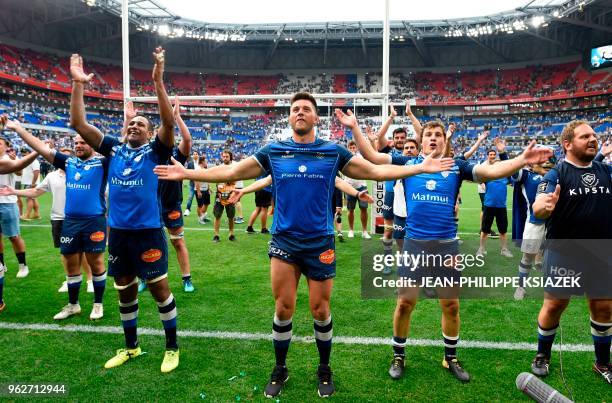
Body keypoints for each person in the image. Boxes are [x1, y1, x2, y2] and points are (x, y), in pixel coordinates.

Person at [155, 92, 455, 398]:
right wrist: (187, 173)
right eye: (295, 109)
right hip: (284, 242)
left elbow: (376, 171)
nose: (300, 112)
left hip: (320, 243)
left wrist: (418, 168)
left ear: (315, 118)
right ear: (289, 117)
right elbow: (232, 172)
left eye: (306, 109)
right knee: (283, 308)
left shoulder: (332, 152)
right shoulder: (274, 151)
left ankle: (324, 369)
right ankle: (280, 369)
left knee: (320, 310)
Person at [344, 112, 552, 383]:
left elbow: (490, 171)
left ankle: (450, 357)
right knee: (405, 303)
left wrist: (521, 160)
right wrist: (355, 128)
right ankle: (398, 355)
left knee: (451, 306)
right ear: (421, 140)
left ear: (444, 141)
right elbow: (372, 157)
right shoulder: (408, 163)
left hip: (447, 249)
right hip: (415, 247)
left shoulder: (458, 166)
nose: (432, 138)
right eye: (428, 135)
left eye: (438, 135)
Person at [69, 49, 180, 373]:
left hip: (147, 233)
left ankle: (172, 346)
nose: (134, 125)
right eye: (131, 122)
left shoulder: (156, 151)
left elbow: (169, 122)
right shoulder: (113, 149)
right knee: (125, 290)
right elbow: (78, 122)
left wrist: (158, 80)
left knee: (160, 290)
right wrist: (78, 84)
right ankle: (131, 347)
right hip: (118, 234)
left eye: (141, 124)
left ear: (149, 133)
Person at [530, 120, 611, 385]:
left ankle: (602, 363)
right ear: (567, 144)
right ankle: (542, 355)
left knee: (603, 307)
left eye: (594, 135)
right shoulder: (556, 174)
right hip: (564, 252)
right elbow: (538, 207)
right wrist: (545, 206)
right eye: (585, 136)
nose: (592, 139)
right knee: (555, 304)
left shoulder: (606, 171)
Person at [0, 130, 108, 321]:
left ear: (92, 143)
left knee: (96, 262)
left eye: (83, 142)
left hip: (94, 220)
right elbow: (41, 148)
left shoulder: (103, 162)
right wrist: (17, 129)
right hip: (70, 221)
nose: (78, 146)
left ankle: (98, 304)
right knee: (71, 263)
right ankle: (73, 305)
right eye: (76, 143)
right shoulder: (68, 163)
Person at [154, 96, 194, 293]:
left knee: (178, 242)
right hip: (151, 207)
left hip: (171, 206)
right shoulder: (149, 155)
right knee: (151, 242)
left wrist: (177, 117)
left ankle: (186, 278)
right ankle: (148, 276)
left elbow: (187, 140)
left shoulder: (176, 156)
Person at [0, 122, 41, 313]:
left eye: (1, 143)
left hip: (7, 202)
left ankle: (23, 265)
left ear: (6, 146)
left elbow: (16, 171)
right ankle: (2, 264)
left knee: (14, 235)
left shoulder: (8, 159)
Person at [511, 158, 555, 300]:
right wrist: (503, 153)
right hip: (535, 223)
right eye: (543, 162)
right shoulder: (527, 176)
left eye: (550, 162)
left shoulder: (557, 176)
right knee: (527, 256)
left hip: (555, 224)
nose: (547, 164)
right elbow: (512, 171)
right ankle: (521, 287)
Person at [477, 140, 513, 258]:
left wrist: (502, 153)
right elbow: (478, 177)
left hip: (501, 207)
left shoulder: (506, 177)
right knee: (485, 230)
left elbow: (509, 166)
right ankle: (481, 249)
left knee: (503, 231)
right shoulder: (488, 176)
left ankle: (504, 249)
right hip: (489, 206)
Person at [344, 140, 371, 239]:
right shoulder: (345, 158)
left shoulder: (360, 158)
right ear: (348, 148)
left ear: (356, 148)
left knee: (364, 209)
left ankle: (364, 231)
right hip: (349, 187)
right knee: (351, 210)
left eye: (353, 147)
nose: (352, 149)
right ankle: (351, 230)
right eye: (350, 148)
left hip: (362, 186)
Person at [212, 150, 237, 242]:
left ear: (230, 157)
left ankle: (231, 234)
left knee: (231, 216)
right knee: (217, 215)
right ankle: (216, 235)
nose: (225, 158)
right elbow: (216, 180)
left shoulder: (234, 168)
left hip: (230, 195)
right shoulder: (219, 168)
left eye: (227, 156)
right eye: (224, 156)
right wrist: (218, 188)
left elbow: (235, 181)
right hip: (219, 195)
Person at [20, 149, 41, 220]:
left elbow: (36, 172)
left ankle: (27, 215)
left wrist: (33, 183)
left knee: (29, 199)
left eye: (24, 154)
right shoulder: (28, 161)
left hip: (30, 183)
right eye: (22, 154)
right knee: (33, 199)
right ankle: (36, 214)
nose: (23, 156)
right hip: (28, 182)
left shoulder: (34, 161)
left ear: (29, 153)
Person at [183, 151, 200, 217]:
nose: (195, 155)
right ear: (193, 155)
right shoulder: (190, 164)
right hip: (192, 183)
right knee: (190, 197)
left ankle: (203, 212)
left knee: (201, 199)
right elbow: (187, 173)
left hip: (200, 184)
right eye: (194, 154)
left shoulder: (200, 163)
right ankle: (187, 209)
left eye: (196, 154)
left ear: (198, 155)